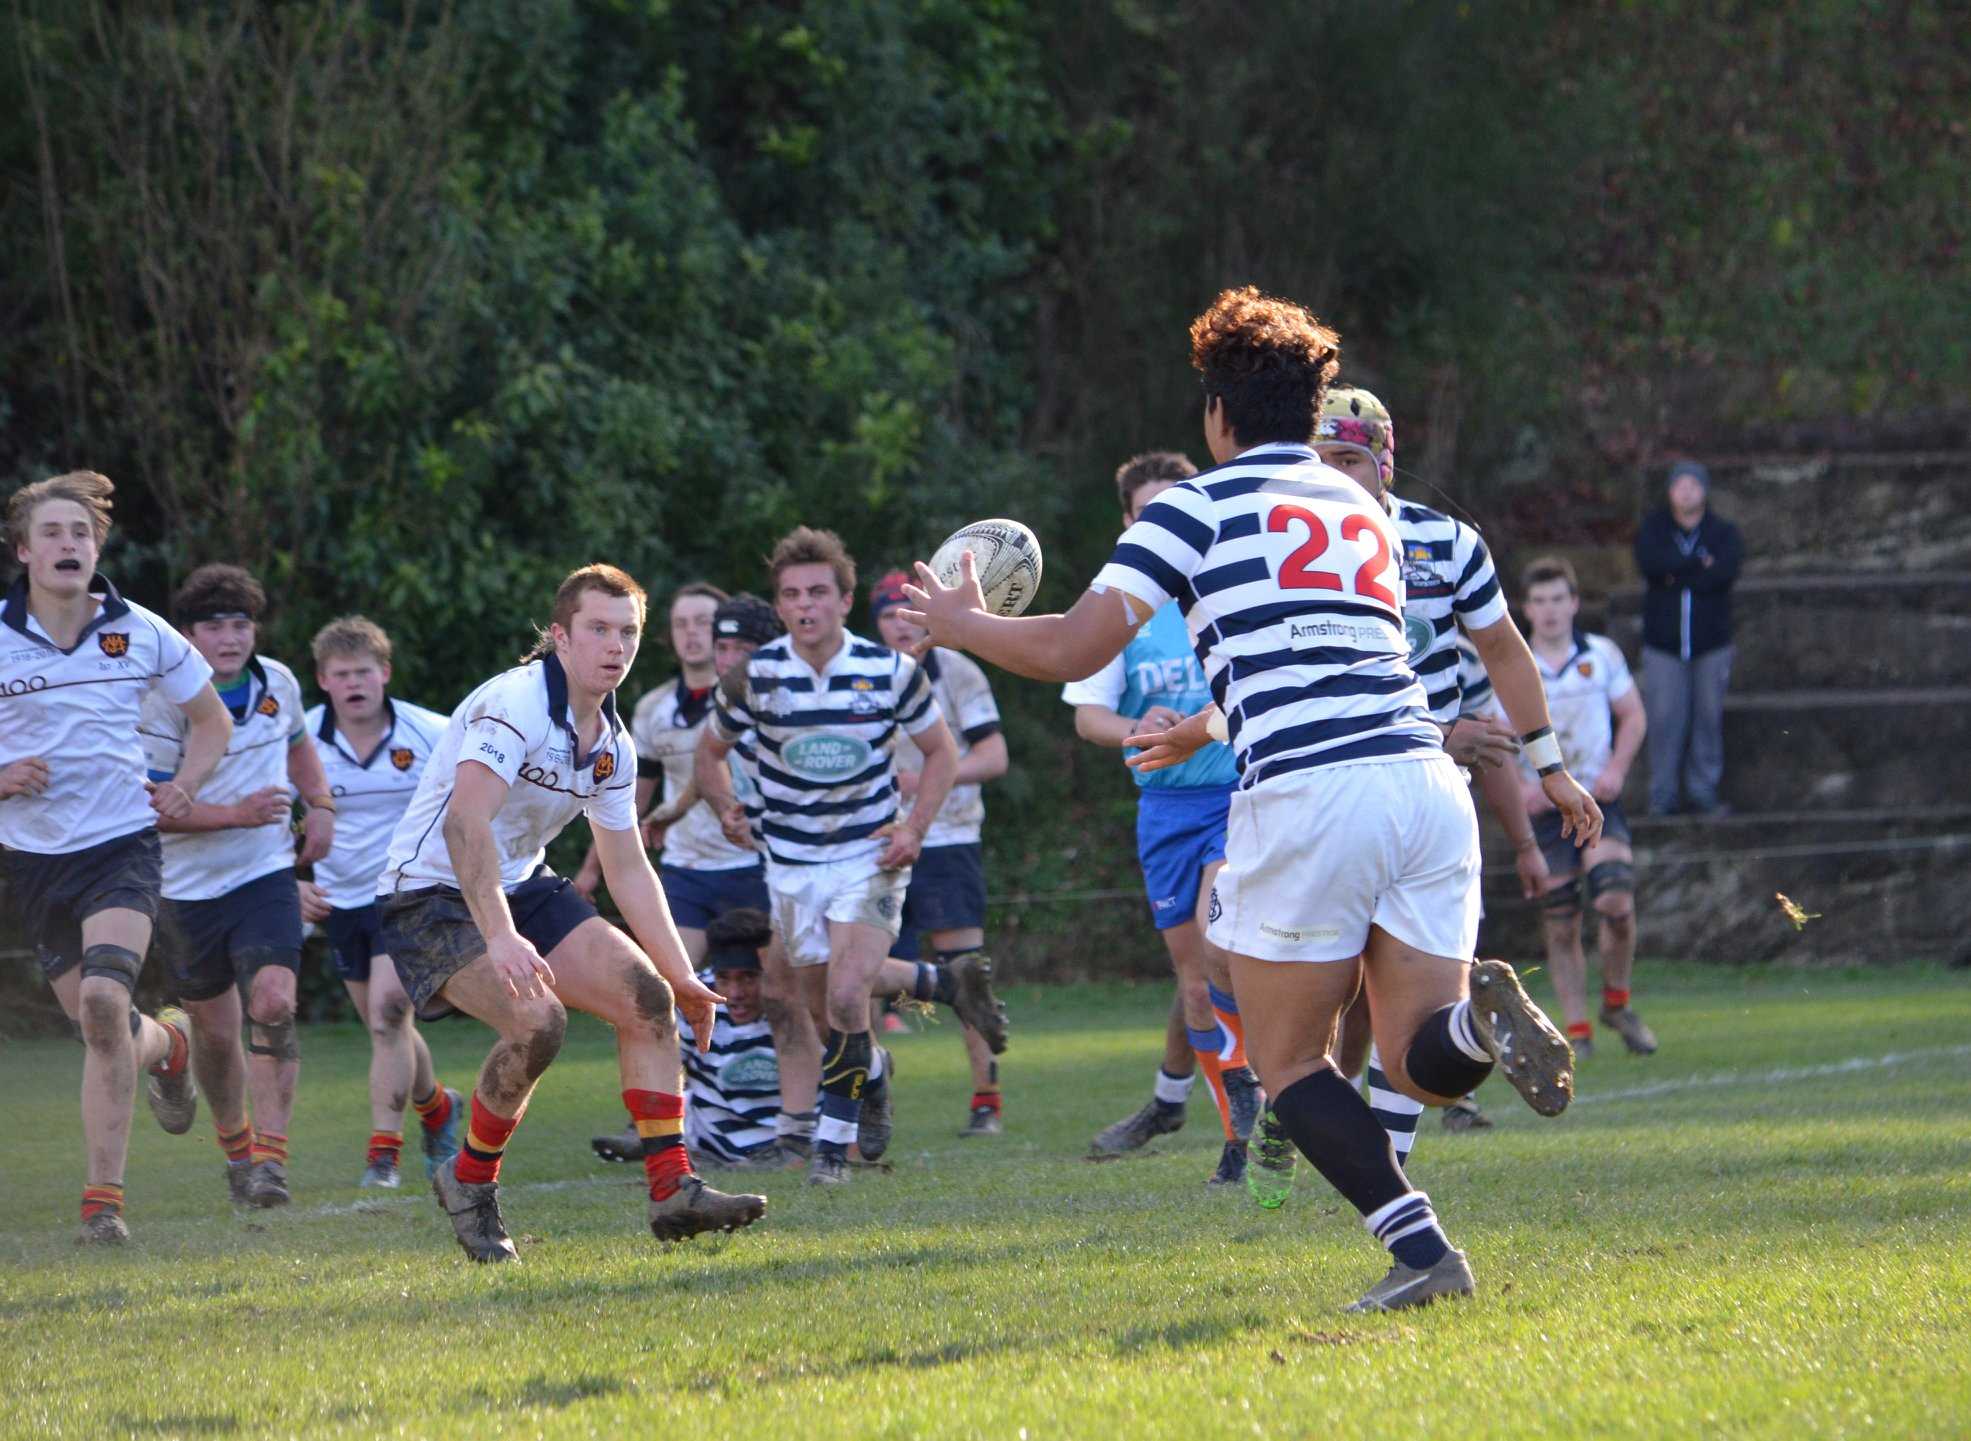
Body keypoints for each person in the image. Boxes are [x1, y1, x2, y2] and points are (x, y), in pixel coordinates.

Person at [902, 285, 1598, 1311]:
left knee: (1287, 1063)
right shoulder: (1360, 507)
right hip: (1424, 782)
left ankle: (1423, 1255)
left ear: (1218, 414)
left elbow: (1072, 646)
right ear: (1311, 411)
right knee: (1422, 1057)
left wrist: (961, 624)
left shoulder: (1196, 505)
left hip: (1309, 792)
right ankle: (1478, 1049)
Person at [377, 564, 766, 1261]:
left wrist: (680, 975)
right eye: (596, 628)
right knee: (538, 1021)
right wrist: (498, 937)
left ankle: (672, 1187)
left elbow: (626, 867)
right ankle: (470, 1182)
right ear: (559, 636)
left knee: (647, 1000)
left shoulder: (613, 744)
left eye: (627, 632)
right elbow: (465, 825)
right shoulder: (515, 703)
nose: (613, 645)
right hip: (428, 894)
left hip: (521, 883)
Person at [1, 471, 230, 1243]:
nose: (70, 544)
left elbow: (210, 720)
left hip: (121, 845)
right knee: (103, 1026)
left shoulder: (144, 629)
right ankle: (167, 1047)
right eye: (54, 533)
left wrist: (187, 787)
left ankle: (103, 1206)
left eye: (82, 533)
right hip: (35, 861)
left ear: (96, 547)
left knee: (103, 1005)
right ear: (24, 548)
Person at [695, 527, 961, 1186]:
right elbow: (709, 753)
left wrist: (914, 828)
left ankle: (830, 1151)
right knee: (818, 1009)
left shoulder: (890, 671)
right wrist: (725, 805)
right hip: (790, 866)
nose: (804, 605)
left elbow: (942, 752)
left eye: (818, 592)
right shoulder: (754, 677)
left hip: (868, 856)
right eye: (791, 595)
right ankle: (870, 1076)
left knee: (847, 994)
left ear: (845, 600)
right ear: (779, 606)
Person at [1064, 451, 1263, 1187]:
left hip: (1240, 797)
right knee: (1193, 980)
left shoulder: (1233, 593)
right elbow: (1087, 715)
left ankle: (1267, 1112)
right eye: (1147, 513)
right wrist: (1134, 730)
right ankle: (1232, 1133)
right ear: (1128, 524)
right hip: (1165, 808)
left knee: (1223, 949)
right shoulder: (1119, 609)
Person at [589, 591, 825, 1167]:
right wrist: (669, 815)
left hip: (764, 868)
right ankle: (658, 1122)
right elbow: (693, 768)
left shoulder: (789, 696)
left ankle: (832, 1095)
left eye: (730, 642)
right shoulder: (659, 707)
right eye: (709, 638)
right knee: (664, 989)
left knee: (789, 994)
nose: (716, 650)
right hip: (690, 872)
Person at [141, 564, 333, 1210]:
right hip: (186, 890)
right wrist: (237, 813)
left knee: (274, 1001)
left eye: (240, 623)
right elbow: (156, 806)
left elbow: (301, 748)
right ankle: (236, 1149)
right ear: (188, 635)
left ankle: (271, 1164)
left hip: (264, 873)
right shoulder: (162, 700)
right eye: (214, 625)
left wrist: (322, 805)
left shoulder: (276, 680)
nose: (230, 637)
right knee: (217, 1035)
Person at [299, 616, 463, 1188]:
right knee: (385, 1026)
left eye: (364, 671)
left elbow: (477, 801)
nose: (354, 683)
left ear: (385, 673)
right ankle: (438, 1106)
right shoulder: (300, 740)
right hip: (340, 902)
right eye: (341, 674)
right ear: (322, 680)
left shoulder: (433, 733)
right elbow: (269, 810)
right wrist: (287, 880)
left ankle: (382, 1158)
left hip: (409, 899)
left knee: (390, 1013)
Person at [870, 569, 1014, 1138]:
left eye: (910, 612)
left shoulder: (958, 671)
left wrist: (932, 776)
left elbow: (995, 755)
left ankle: (987, 1102)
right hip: (879, 841)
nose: (901, 626)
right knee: (859, 971)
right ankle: (869, 1094)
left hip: (949, 840)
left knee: (968, 972)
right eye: (888, 615)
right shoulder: (866, 675)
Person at [1514, 557, 1654, 1058]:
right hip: (1542, 804)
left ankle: (1616, 1002)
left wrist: (1616, 770)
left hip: (1594, 799)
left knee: (1615, 900)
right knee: (1561, 918)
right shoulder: (1515, 663)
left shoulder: (1602, 655)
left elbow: (1633, 717)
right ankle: (1578, 1031)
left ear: (1574, 603)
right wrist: (1518, 787)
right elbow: (1496, 737)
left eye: (1558, 599)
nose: (1550, 611)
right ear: (1526, 609)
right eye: (1540, 601)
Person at [1634, 459, 1741, 815]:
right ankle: (1662, 795)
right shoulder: (1654, 529)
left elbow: (1724, 573)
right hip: (1664, 645)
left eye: (1693, 484)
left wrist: (1675, 574)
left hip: (1712, 645)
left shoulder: (1723, 533)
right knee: (1664, 719)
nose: (1686, 491)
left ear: (1704, 491)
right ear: (1669, 491)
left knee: (1708, 718)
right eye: (1680, 484)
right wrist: (1696, 565)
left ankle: (1703, 790)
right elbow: (1652, 565)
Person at [677, 908, 784, 1170]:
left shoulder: (798, 1001)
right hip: (709, 1149)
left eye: (748, 978)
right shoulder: (694, 1003)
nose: (735, 993)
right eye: (724, 979)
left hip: (789, 1148)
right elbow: (665, 1073)